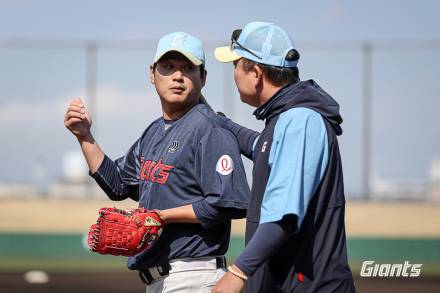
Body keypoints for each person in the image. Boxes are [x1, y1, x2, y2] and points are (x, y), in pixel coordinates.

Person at [64, 32, 250, 293]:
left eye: (188, 68)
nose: (177, 76)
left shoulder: (208, 129)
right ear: (153, 74)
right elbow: (118, 184)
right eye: (169, 67)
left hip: (194, 274)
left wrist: (162, 217)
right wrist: (84, 136)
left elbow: (229, 201)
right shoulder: (154, 132)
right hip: (162, 280)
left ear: (203, 78)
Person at [212, 22, 356, 292]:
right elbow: (261, 148)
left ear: (255, 73)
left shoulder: (300, 121)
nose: (233, 74)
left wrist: (237, 272)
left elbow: (282, 217)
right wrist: (222, 122)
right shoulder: (286, 119)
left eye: (235, 65)